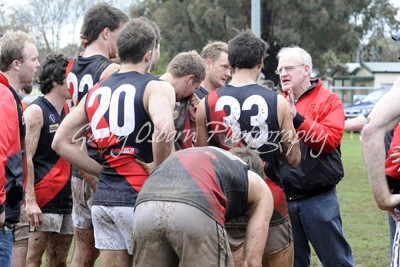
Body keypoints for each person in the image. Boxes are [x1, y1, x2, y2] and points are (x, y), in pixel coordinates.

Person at [52, 18, 176, 267]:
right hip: (139, 197)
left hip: (105, 202)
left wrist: (100, 169)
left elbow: (60, 142)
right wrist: (158, 171)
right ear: (150, 54)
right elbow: (164, 128)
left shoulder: (97, 90)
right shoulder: (155, 86)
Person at [195, 30, 301, 267]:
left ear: (230, 63)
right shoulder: (278, 102)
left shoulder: (206, 103)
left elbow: (201, 158)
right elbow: (294, 158)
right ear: (261, 63)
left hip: (227, 200)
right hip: (271, 196)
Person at [276, 46, 354, 267]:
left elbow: (328, 141)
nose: (283, 74)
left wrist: (296, 117)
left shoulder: (329, 100)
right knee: (293, 262)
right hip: (285, 199)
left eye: (289, 68)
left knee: (336, 260)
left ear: (306, 70)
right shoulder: (276, 101)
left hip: (319, 199)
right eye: (280, 69)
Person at [132, 146, 273, 266]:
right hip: (194, 204)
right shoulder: (261, 188)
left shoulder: (211, 158)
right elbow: (252, 262)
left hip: (145, 204)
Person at [65, 3, 128, 266]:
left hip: (78, 166)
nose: (122, 42)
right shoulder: (109, 71)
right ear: (106, 32)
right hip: (101, 166)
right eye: (120, 34)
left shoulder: (72, 66)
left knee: (82, 252)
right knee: (113, 251)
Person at [23, 54, 73, 267]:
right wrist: (31, 200)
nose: (75, 81)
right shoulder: (36, 111)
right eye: (71, 76)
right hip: (43, 198)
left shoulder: (71, 111)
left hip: (67, 198)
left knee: (59, 260)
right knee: (33, 260)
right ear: (55, 80)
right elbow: (27, 157)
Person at [0, 30, 39, 267]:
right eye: (33, 60)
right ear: (16, 64)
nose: (38, 65)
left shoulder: (10, 95)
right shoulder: (4, 96)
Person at [159, 51, 206, 149]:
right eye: (195, 87)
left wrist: (194, 121)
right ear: (189, 79)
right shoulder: (153, 93)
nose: (194, 93)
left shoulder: (143, 88)